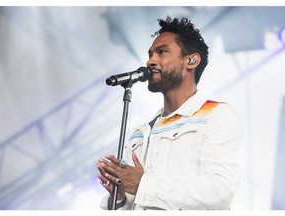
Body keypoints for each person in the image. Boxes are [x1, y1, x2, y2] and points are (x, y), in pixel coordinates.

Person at [97, 16, 244, 210]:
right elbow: (137, 202)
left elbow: (221, 191)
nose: (151, 61)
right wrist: (120, 197)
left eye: (162, 52)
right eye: (150, 54)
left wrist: (143, 184)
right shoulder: (140, 133)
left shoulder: (217, 115)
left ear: (191, 60)